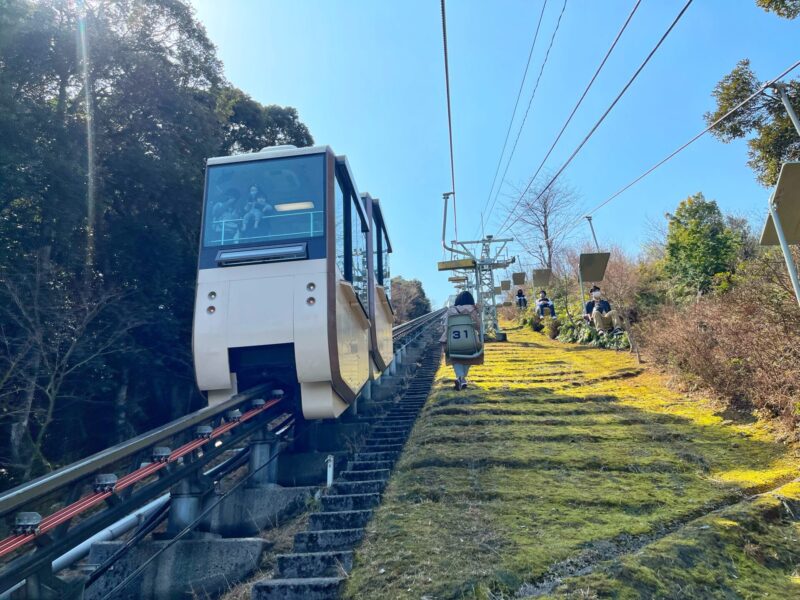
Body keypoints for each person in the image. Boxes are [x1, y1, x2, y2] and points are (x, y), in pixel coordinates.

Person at [440, 291, 483, 390]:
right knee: (470, 356)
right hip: (470, 340)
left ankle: (460, 377)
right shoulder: (473, 310)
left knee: (456, 358)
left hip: (453, 340)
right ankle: (462, 378)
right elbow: (478, 326)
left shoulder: (451, 310)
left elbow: (446, 326)